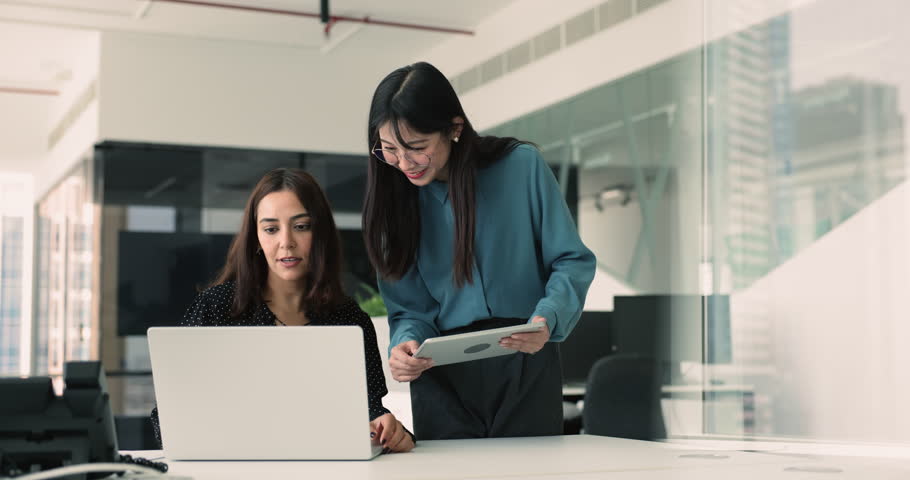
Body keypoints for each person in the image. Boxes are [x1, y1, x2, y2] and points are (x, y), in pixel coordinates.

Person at [362, 61, 596, 440]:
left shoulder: (521, 167)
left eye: (416, 148)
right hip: (441, 373)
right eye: (389, 150)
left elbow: (571, 260)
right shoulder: (393, 204)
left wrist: (546, 318)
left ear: (453, 128)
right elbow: (409, 309)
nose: (404, 164)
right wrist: (404, 342)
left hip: (524, 359)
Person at [151, 168, 414, 453]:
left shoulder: (349, 318)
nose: (286, 242)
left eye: (301, 226)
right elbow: (166, 417)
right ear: (256, 238)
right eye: (271, 229)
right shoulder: (216, 309)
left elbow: (369, 411)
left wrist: (390, 429)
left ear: (321, 233)